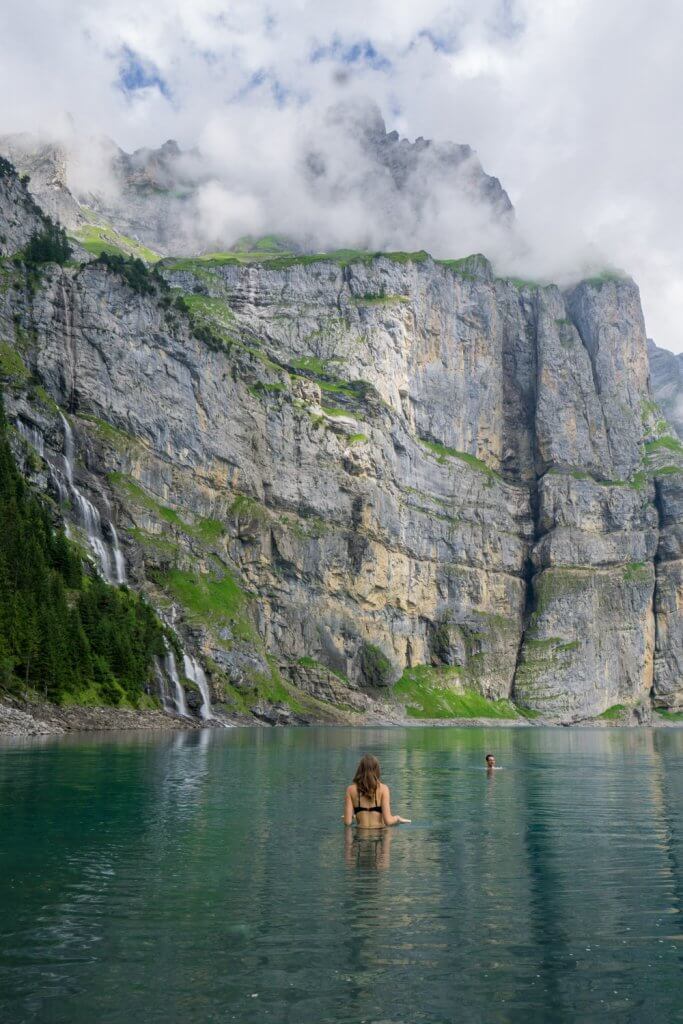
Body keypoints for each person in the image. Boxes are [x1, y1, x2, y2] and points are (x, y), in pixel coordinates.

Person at [344, 754, 410, 828]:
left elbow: (347, 822)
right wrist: (397, 818)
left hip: (359, 836)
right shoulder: (384, 789)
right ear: (377, 769)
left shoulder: (350, 790)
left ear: (360, 769)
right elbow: (388, 821)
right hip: (378, 835)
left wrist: (352, 816)